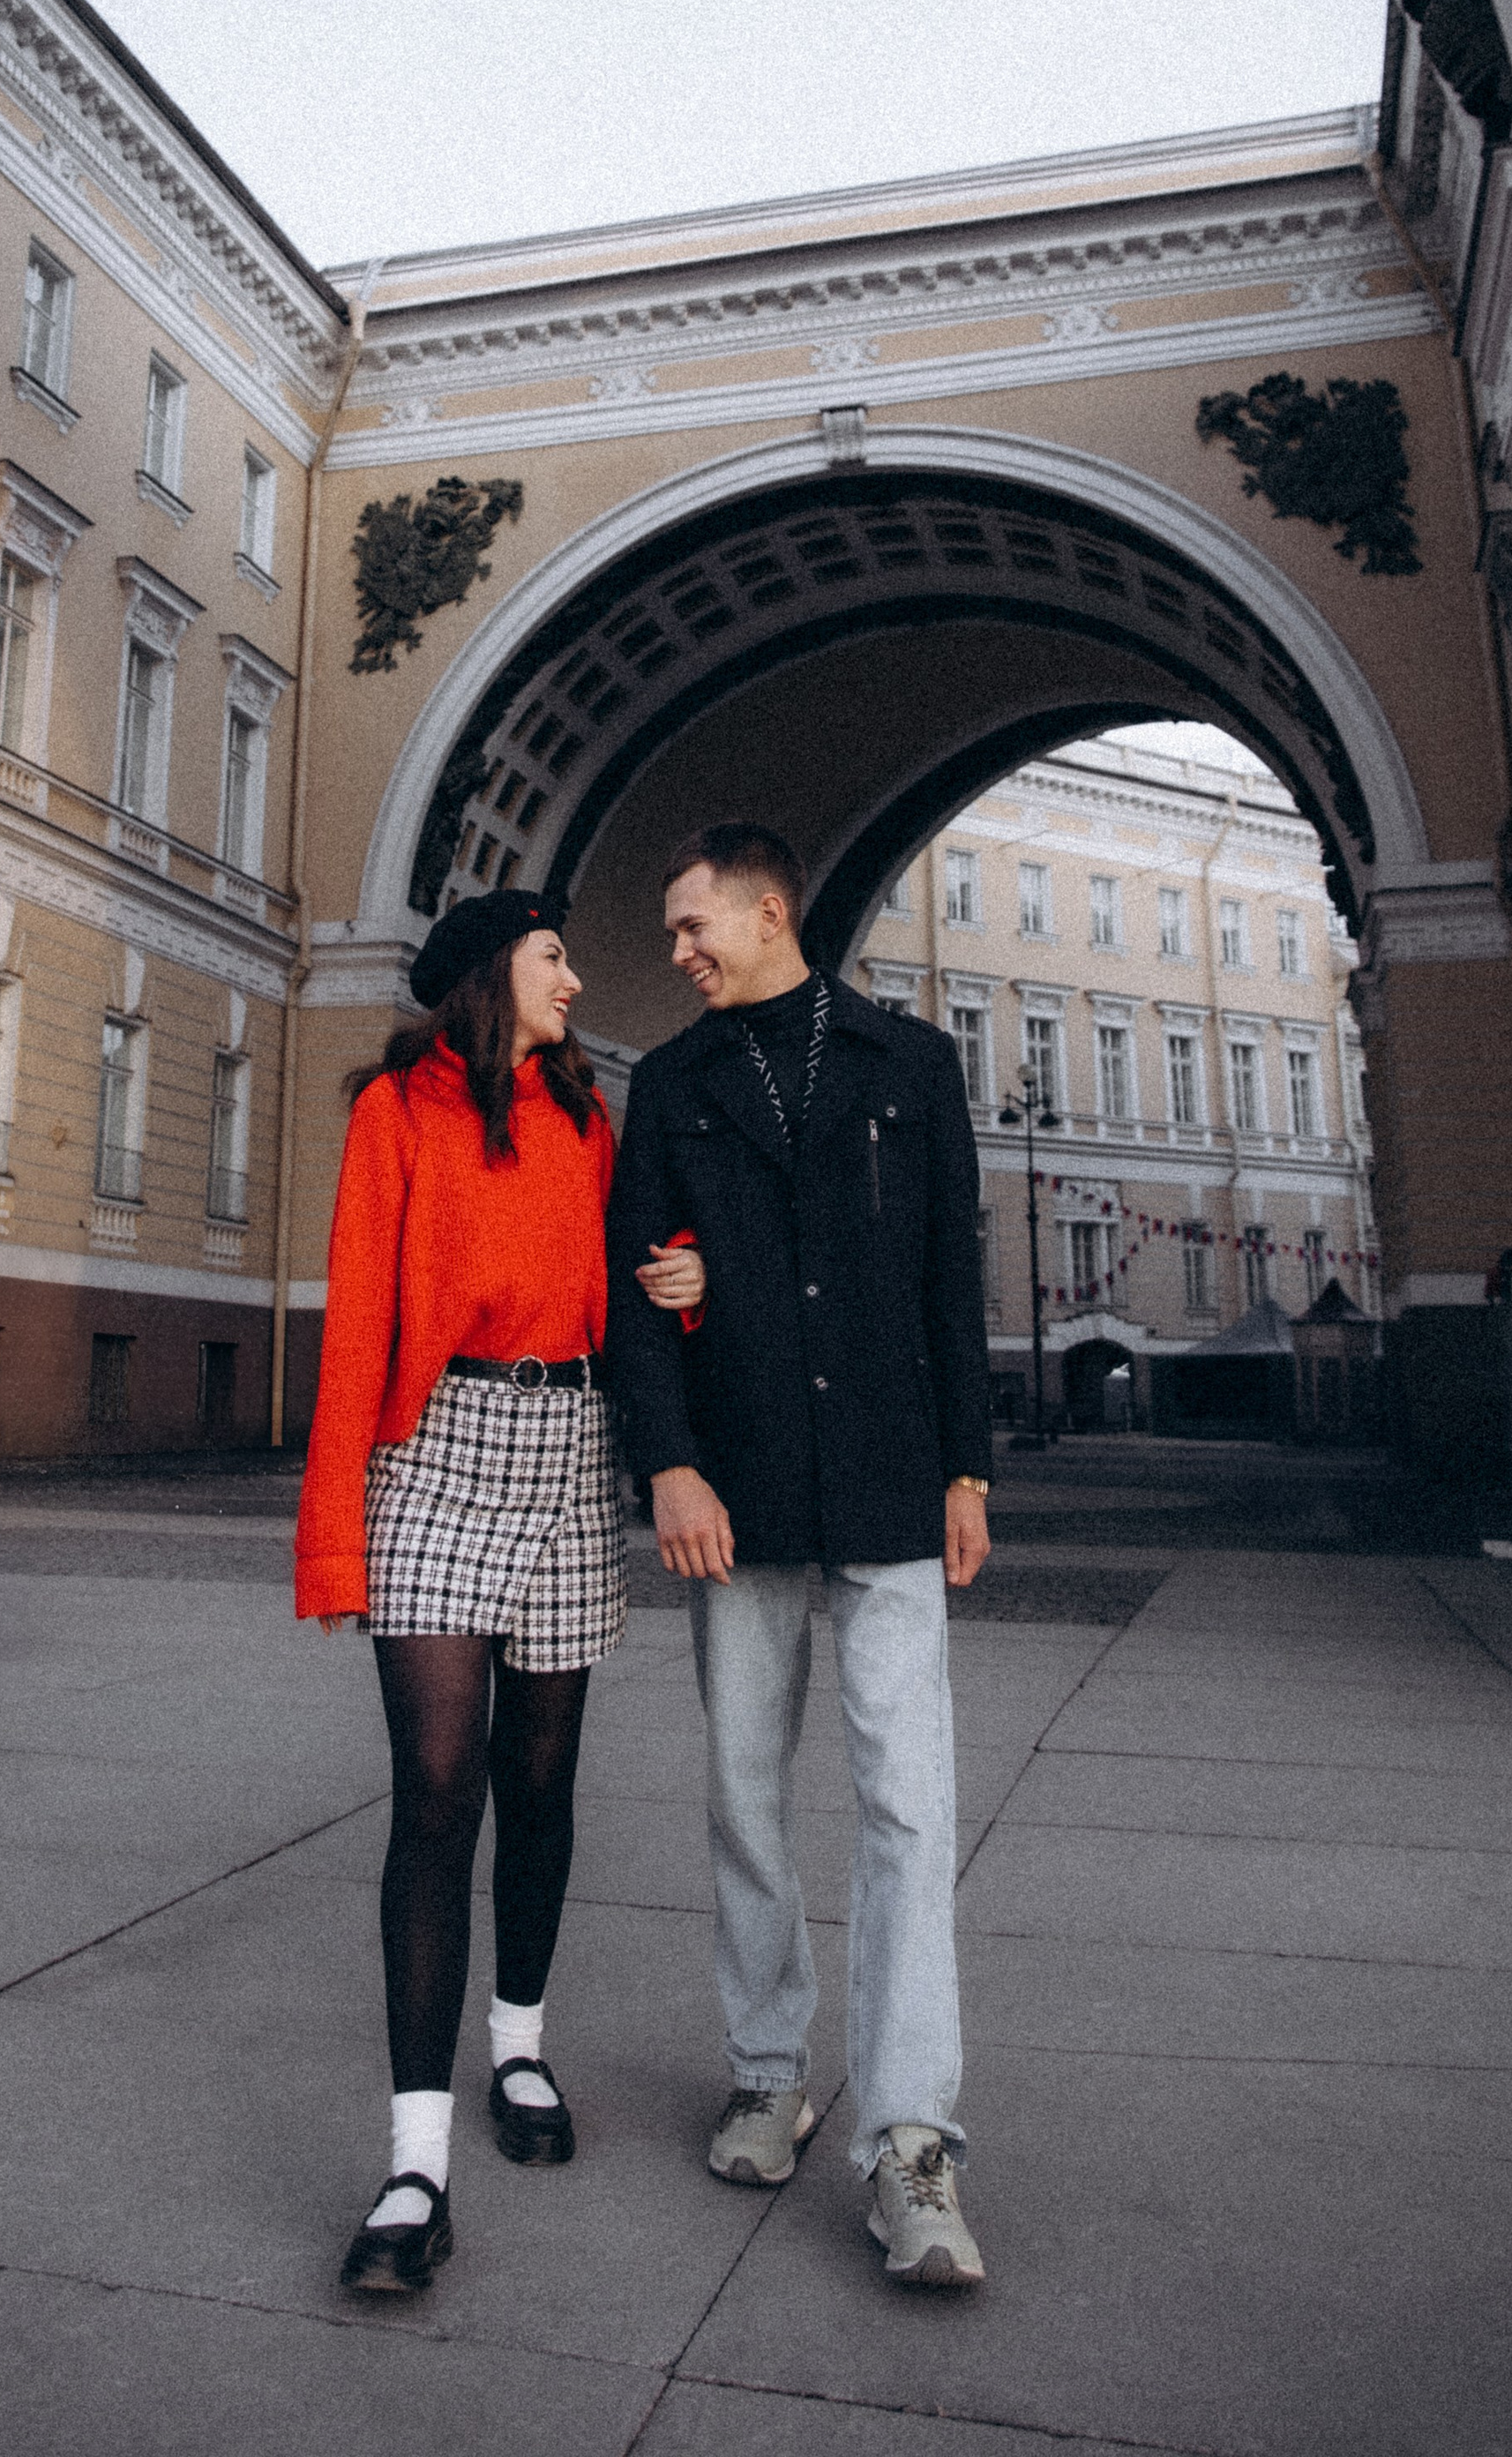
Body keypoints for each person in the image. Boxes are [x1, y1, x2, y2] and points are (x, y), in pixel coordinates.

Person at [296, 885, 705, 2296]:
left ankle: (518, 2053)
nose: (576, 981)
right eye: (553, 959)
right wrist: (335, 1539)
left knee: (542, 1781)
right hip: (437, 1455)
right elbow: (356, 1325)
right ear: (489, 976)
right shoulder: (394, 1116)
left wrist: (685, 1286)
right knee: (436, 1790)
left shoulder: (590, 1123)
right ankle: (417, 2165)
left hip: (570, 1448)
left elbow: (627, 1293)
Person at [605, 821, 995, 2288]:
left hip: (895, 1482)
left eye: (696, 924)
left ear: (770, 910)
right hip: (740, 1494)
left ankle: (910, 2138)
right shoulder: (676, 1085)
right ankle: (769, 2069)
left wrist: (970, 1461)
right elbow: (637, 1289)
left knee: (907, 1811)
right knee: (744, 1798)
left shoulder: (909, 1065)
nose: (681, 951)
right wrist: (671, 1467)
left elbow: (954, 1270)